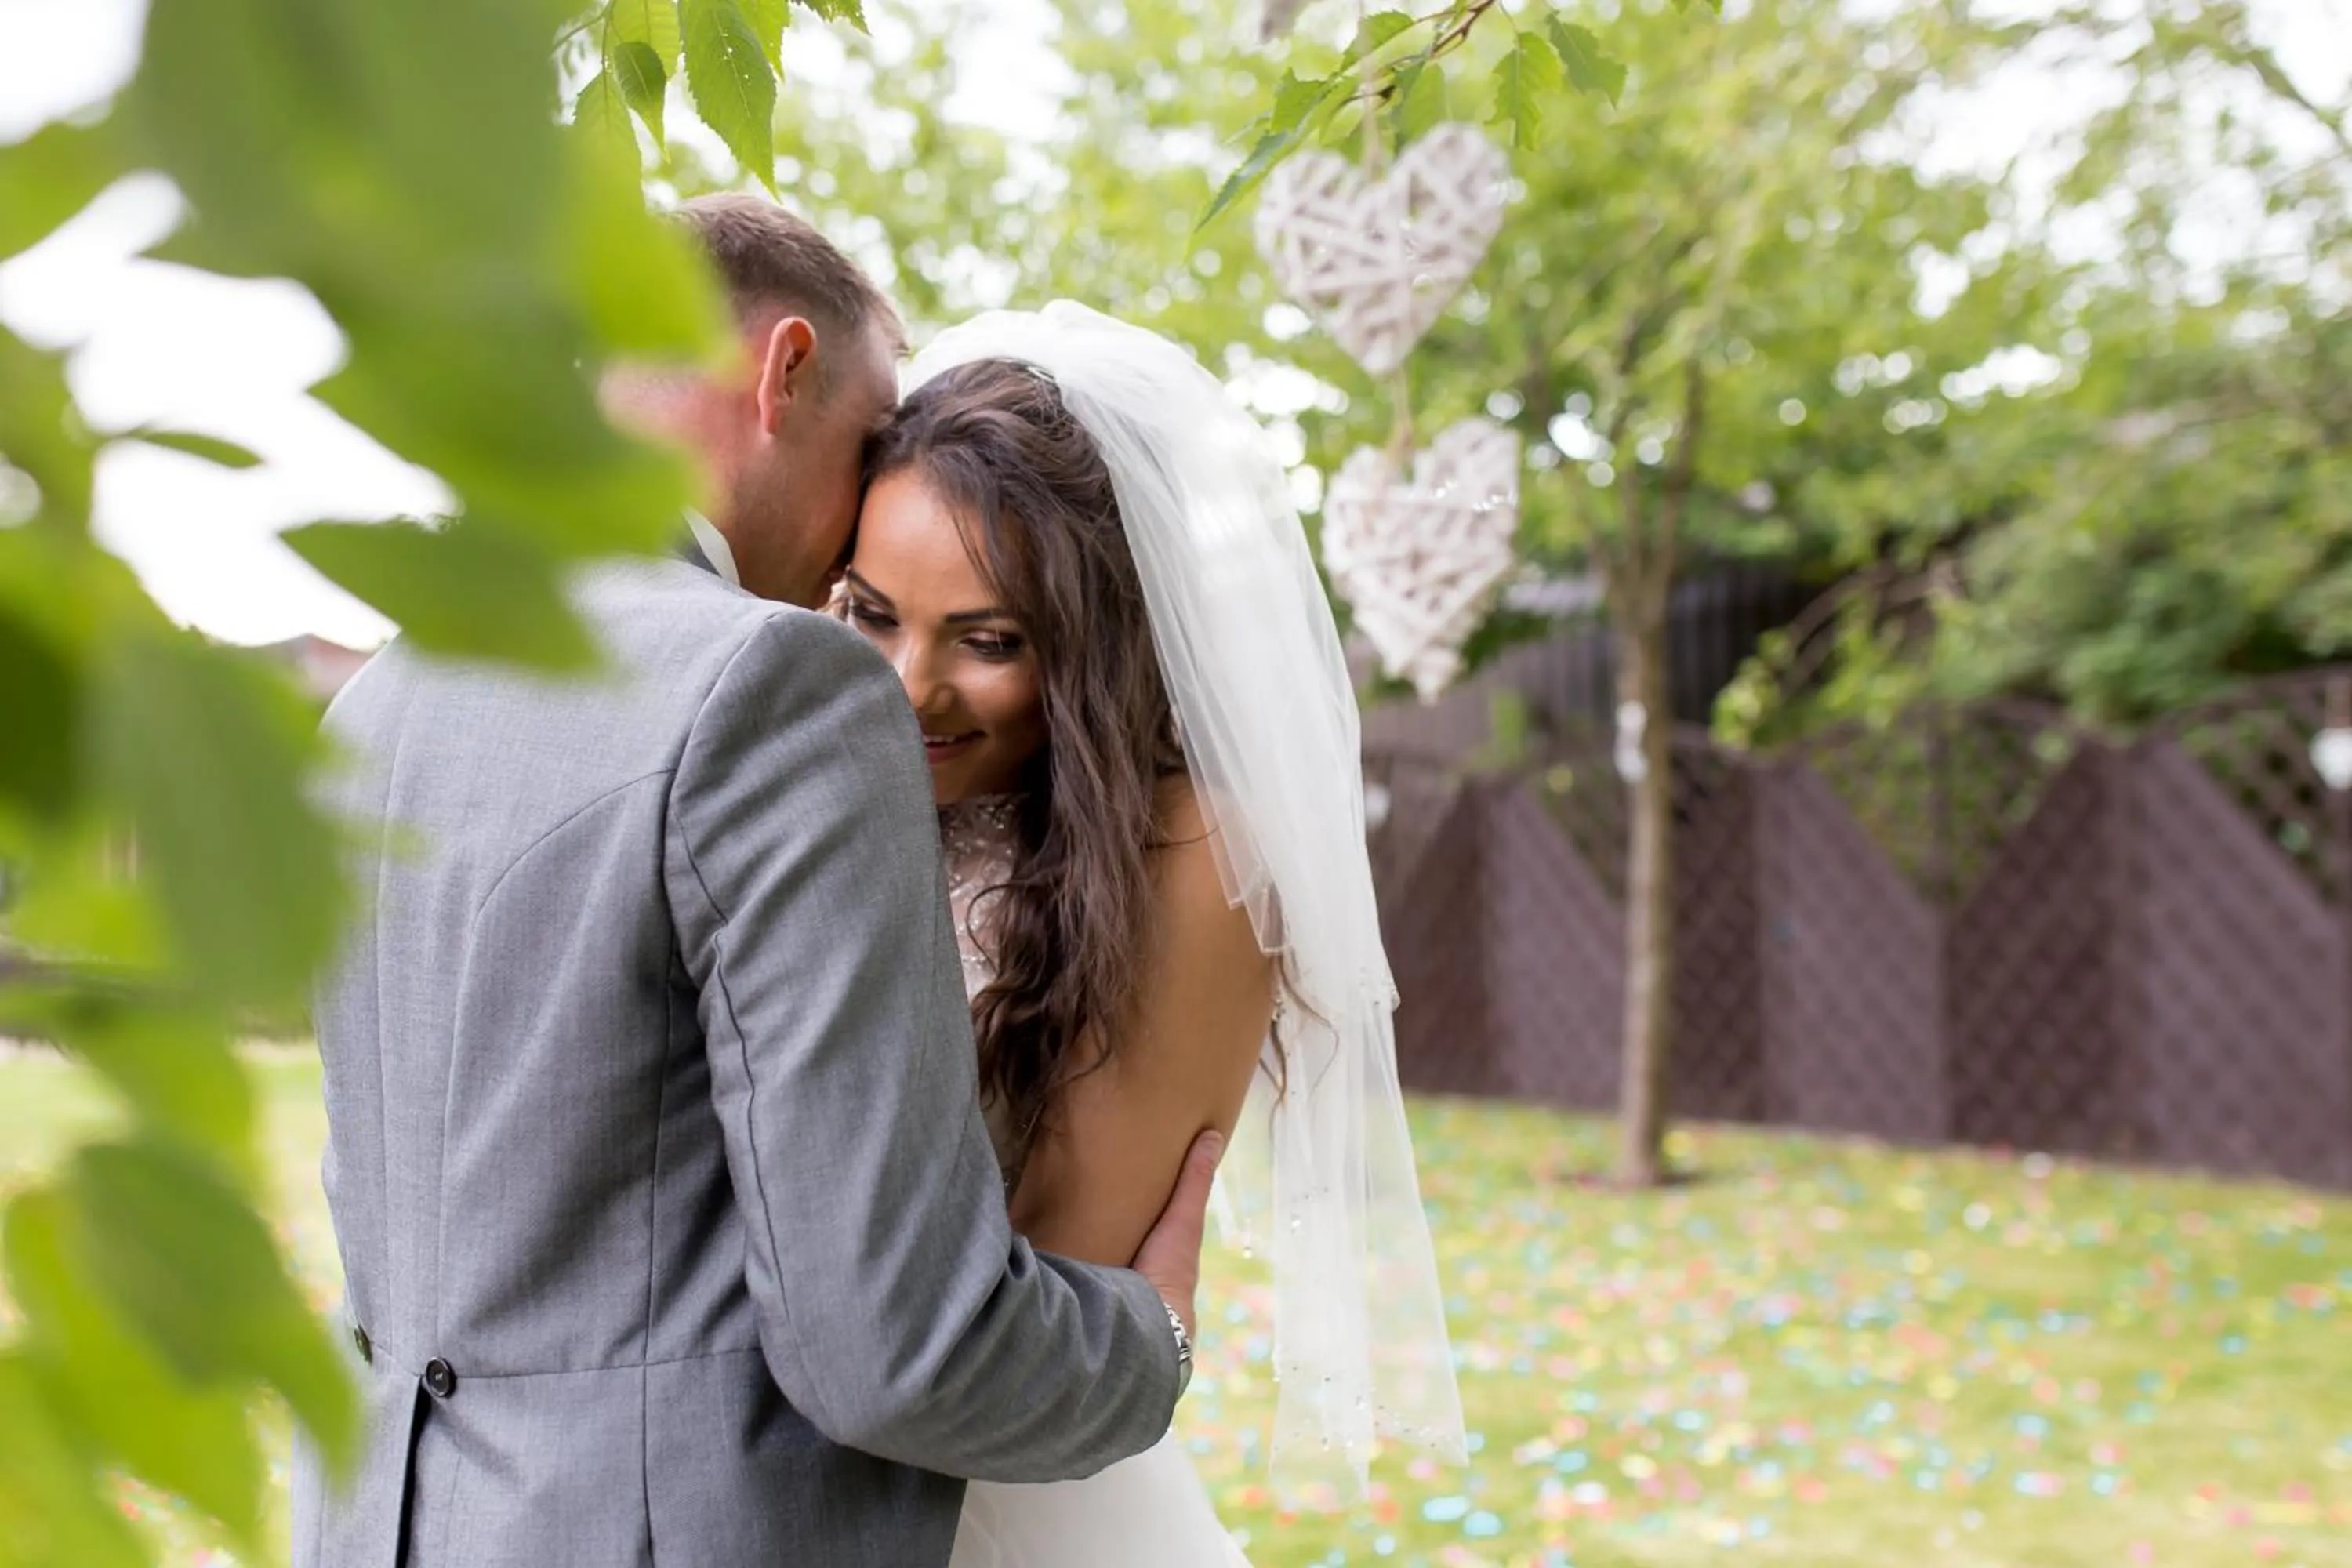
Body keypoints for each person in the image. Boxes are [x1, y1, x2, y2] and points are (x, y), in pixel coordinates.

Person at [292, 195, 1218, 1568]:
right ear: (784, 369)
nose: (856, 529)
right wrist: (1149, 1341)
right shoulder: (772, 683)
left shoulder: (377, 704)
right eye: (867, 442)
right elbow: (889, 1349)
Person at [835, 302, 1467, 1566]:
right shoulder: (820, 793)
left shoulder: (1202, 859)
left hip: (991, 1506)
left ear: (1097, 642)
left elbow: (1045, 1305)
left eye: (991, 641)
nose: (911, 688)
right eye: (872, 613)